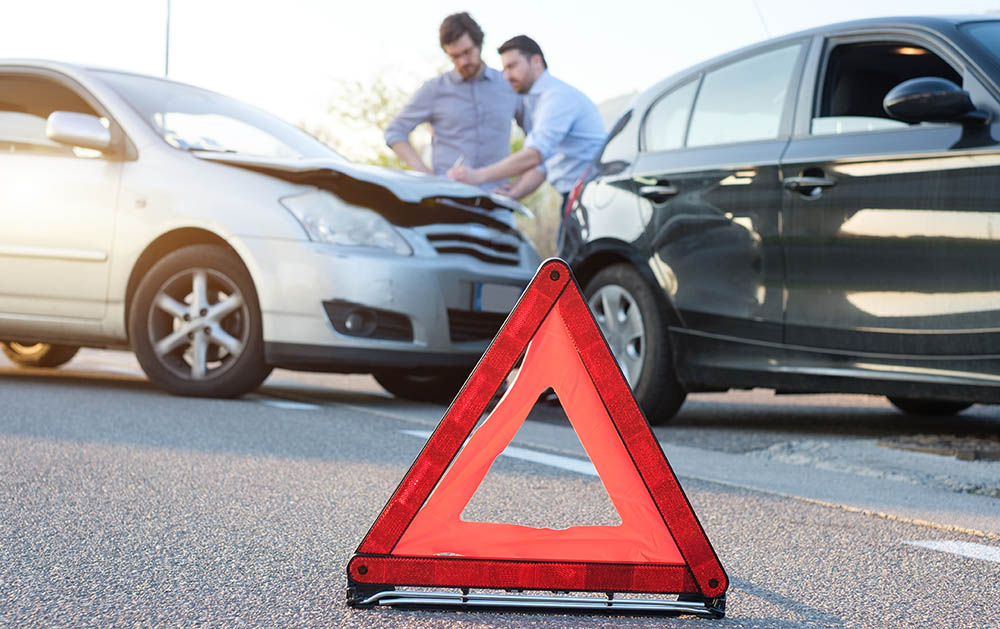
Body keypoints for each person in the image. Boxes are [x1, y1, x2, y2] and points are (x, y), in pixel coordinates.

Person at [447, 35, 605, 205]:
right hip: (578, 195)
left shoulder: (557, 97)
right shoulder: (537, 101)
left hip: (593, 195)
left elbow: (534, 155)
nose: (506, 76)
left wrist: (477, 175)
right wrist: (515, 190)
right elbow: (544, 164)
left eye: (512, 66)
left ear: (536, 61)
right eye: (504, 70)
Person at [384, 12, 521, 191]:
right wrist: (426, 177)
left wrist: (518, 188)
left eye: (467, 52)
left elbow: (538, 141)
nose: (463, 61)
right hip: (448, 201)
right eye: (455, 56)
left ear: (479, 45)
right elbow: (395, 131)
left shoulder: (508, 85)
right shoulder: (434, 89)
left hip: (497, 202)